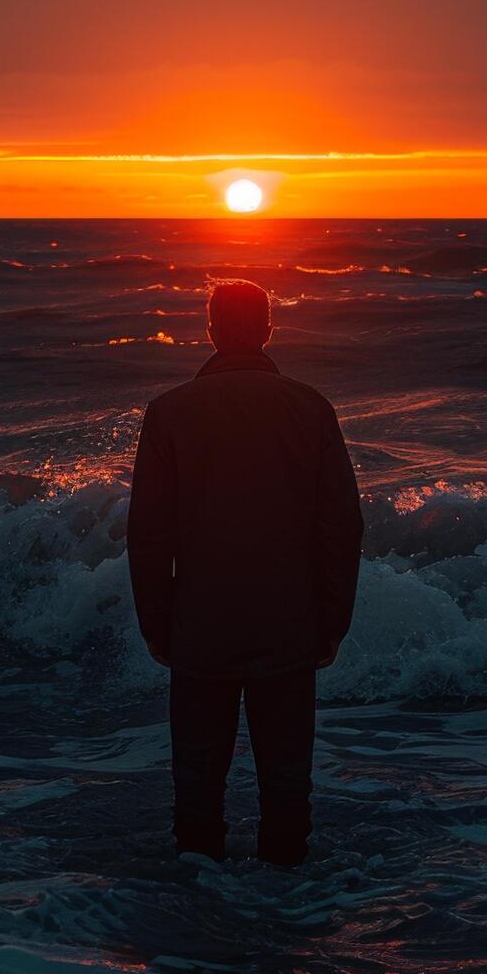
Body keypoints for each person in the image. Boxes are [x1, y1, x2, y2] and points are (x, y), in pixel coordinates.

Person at [126, 279, 363, 866]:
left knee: (196, 796)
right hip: (289, 624)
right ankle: (287, 922)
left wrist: (156, 624)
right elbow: (341, 526)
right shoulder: (310, 408)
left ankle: (197, 924)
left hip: (199, 626)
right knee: (287, 793)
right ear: (266, 331)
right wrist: (334, 623)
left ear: (210, 332)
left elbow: (148, 534)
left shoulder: (169, 412)